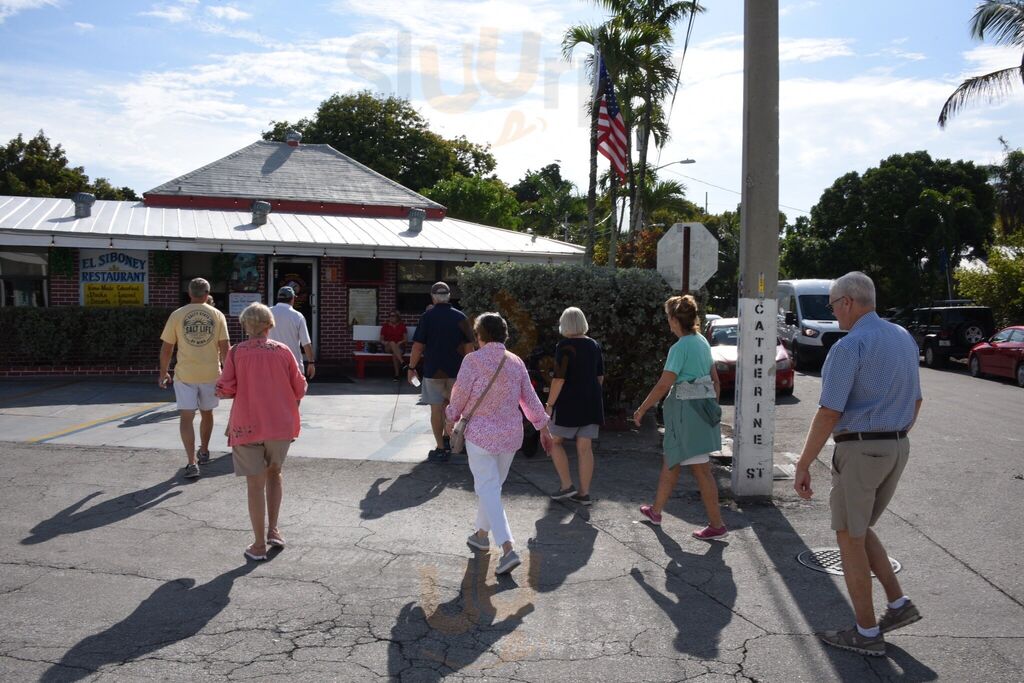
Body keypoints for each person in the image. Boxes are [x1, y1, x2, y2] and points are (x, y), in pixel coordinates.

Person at [793, 272, 923, 657]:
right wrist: (890, 434)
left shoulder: (850, 346)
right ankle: (898, 605)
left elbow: (829, 410)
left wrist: (803, 464)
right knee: (859, 528)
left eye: (833, 306)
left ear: (848, 302)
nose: (833, 314)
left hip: (862, 450)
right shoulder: (902, 336)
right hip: (897, 447)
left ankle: (866, 633)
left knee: (848, 537)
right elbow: (916, 401)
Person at [446, 312, 553, 575]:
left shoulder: (473, 360)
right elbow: (529, 398)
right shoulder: (515, 362)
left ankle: (507, 549)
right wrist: (543, 427)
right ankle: (481, 535)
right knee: (491, 489)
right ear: (504, 334)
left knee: (488, 489)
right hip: (510, 437)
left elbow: (459, 393)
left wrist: (451, 416)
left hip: (480, 435)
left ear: (480, 336)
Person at [215, 302, 308, 562]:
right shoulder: (284, 351)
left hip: (247, 424)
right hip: (280, 424)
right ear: (269, 325)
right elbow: (300, 388)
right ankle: (274, 530)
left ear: (246, 325)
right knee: (275, 474)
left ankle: (258, 545)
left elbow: (226, 388)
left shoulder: (236, 353)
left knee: (254, 485)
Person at [633, 294, 727, 541]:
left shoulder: (680, 347)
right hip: (701, 411)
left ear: (674, 320)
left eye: (668, 317)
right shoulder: (702, 342)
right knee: (673, 459)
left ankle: (716, 524)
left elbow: (664, 384)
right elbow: (715, 380)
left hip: (685, 415)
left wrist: (642, 409)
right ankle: (656, 511)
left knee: (700, 469)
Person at [159, 277, 230, 479]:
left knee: (186, 416)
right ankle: (205, 451)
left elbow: (167, 348)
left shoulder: (177, 315)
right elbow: (225, 347)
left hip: (185, 374)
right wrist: (229, 374)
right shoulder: (217, 315)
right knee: (207, 413)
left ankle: (191, 462)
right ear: (207, 295)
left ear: (189, 293)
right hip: (210, 373)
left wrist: (163, 372)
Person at [407, 282, 475, 462]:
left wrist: (412, 368)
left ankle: (440, 448)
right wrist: (471, 372)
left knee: (436, 410)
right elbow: (470, 348)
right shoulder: (461, 317)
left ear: (433, 297)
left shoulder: (427, 317)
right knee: (455, 408)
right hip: (458, 372)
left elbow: (418, 346)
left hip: (433, 372)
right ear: (449, 296)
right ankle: (452, 439)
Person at [545, 307, 604, 506]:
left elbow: (559, 379)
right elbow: (600, 377)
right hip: (592, 402)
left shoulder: (564, 346)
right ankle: (584, 493)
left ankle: (566, 485)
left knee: (554, 442)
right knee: (585, 448)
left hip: (569, 402)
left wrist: (549, 404)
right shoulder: (594, 345)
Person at [268, 286, 316, 379]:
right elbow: (306, 343)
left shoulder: (267, 313)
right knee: (293, 393)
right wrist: (311, 362)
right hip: (293, 364)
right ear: (292, 299)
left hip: (270, 364)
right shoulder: (297, 316)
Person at [380, 311, 408, 381]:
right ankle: (402, 362)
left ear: (397, 317)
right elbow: (381, 340)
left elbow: (405, 339)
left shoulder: (402, 326)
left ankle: (397, 375)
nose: (391, 317)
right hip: (388, 347)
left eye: (393, 316)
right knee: (392, 343)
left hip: (399, 347)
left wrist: (400, 342)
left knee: (395, 354)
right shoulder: (385, 326)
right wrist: (385, 343)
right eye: (390, 316)